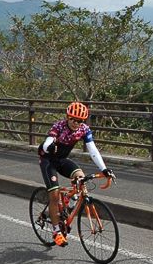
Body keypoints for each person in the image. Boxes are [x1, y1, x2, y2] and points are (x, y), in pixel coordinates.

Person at [38, 101, 114, 246]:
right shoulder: (59, 126)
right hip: (48, 160)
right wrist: (51, 145)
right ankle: (56, 232)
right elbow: (47, 143)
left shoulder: (84, 129)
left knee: (81, 178)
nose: (76, 122)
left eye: (80, 120)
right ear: (68, 117)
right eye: (73, 119)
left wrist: (104, 169)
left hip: (62, 160)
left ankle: (68, 205)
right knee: (54, 195)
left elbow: (93, 150)